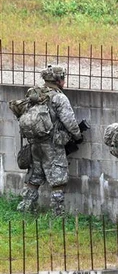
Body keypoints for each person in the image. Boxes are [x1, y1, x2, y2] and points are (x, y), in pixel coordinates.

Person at [17, 65, 83, 216]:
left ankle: (26, 209)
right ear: (59, 80)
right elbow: (70, 122)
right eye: (63, 78)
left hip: (34, 143)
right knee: (58, 179)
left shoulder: (34, 93)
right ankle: (57, 214)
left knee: (34, 176)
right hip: (52, 144)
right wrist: (78, 136)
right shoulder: (59, 97)